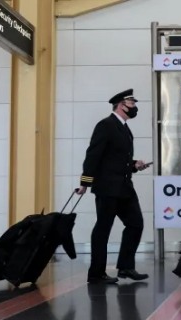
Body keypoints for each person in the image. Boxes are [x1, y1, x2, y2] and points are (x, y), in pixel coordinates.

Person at [77, 88, 151, 284]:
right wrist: (85, 183)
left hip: (124, 187)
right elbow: (93, 155)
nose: (135, 107)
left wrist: (134, 165)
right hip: (107, 188)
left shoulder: (124, 128)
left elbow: (116, 158)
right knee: (103, 229)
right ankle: (96, 273)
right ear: (121, 105)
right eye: (132, 103)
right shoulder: (105, 125)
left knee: (136, 224)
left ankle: (126, 267)